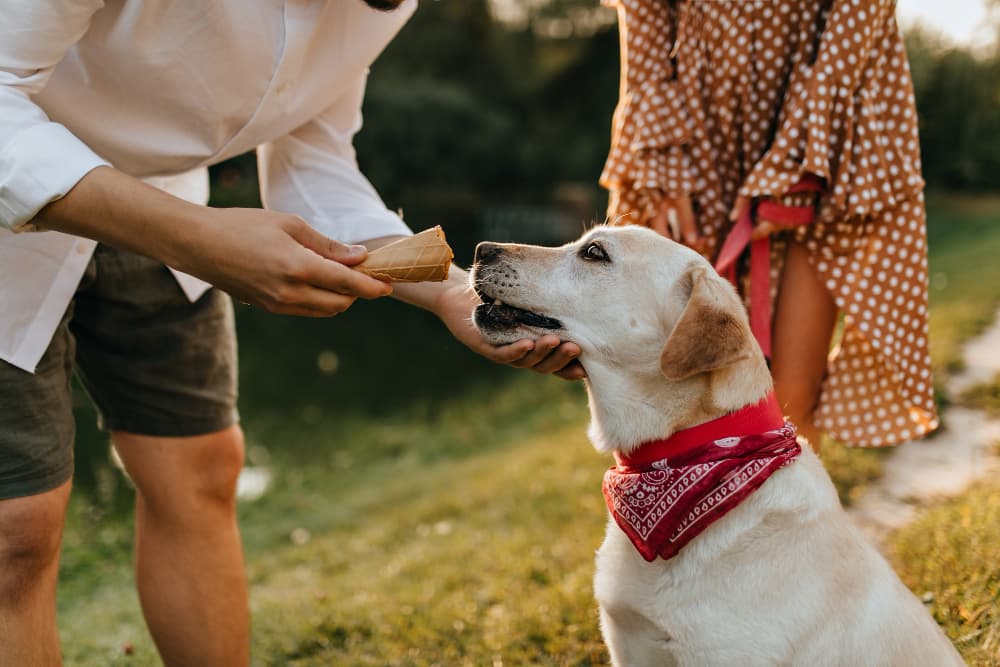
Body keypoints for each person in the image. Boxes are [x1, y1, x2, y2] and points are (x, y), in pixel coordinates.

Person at [0, 1, 584, 664]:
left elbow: (314, 160)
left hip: (167, 189)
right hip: (19, 178)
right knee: (16, 529)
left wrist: (455, 296)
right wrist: (197, 239)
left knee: (203, 467)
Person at [600, 0, 938, 450]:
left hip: (826, 122)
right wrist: (665, 172)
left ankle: (791, 513)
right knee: (689, 393)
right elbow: (646, 17)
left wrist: (797, 155)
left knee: (790, 403)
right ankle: (701, 514)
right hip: (700, 135)